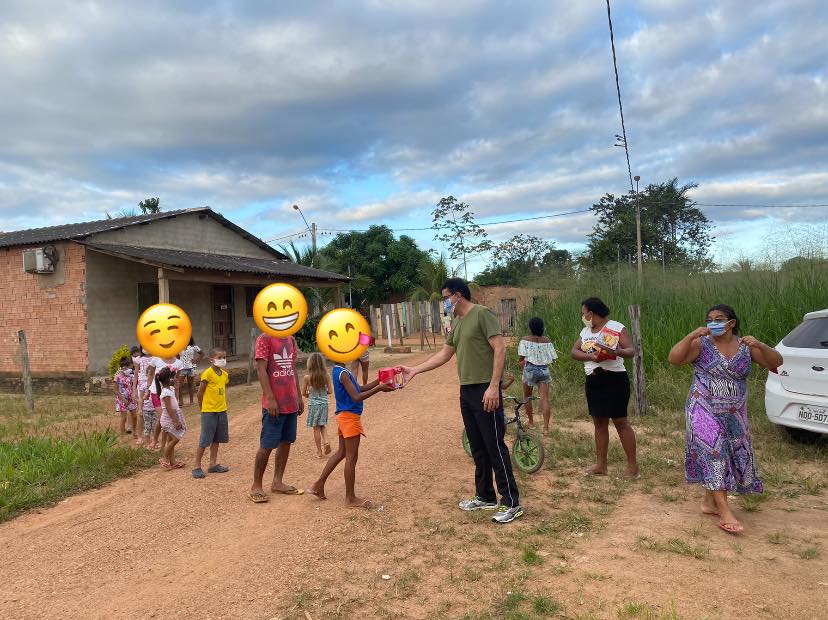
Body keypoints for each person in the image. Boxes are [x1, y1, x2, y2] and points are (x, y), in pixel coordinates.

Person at [401, 278, 524, 524]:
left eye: (445, 296)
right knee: (477, 446)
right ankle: (485, 496)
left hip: (485, 389)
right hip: (467, 390)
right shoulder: (457, 322)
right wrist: (415, 369)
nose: (444, 301)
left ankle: (511, 502)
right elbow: (445, 354)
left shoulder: (481, 314)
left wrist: (493, 386)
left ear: (457, 295)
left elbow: (499, 349)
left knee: (494, 445)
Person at [668, 304, 781, 535]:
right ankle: (725, 510)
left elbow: (775, 361)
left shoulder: (745, 347)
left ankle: (709, 502)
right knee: (714, 453)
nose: (713, 323)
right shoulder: (701, 344)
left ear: (731, 323)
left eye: (719, 319)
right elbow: (674, 358)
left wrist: (759, 344)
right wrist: (691, 335)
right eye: (710, 319)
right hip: (702, 408)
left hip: (735, 413)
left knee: (727, 453)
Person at [308, 357, 395, 507]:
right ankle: (350, 498)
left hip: (344, 416)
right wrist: (379, 389)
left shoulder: (339, 371)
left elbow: (359, 389)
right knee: (351, 456)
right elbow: (356, 397)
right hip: (349, 417)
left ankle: (318, 485)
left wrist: (379, 381)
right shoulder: (342, 373)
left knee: (342, 452)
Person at [570, 297, 639, 479]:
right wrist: (591, 357)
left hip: (615, 379)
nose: (583, 316)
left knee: (621, 422)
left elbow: (631, 350)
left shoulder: (616, 327)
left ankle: (632, 468)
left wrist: (615, 352)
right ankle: (601, 465)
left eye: (584, 312)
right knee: (599, 423)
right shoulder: (585, 331)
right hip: (594, 380)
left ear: (591, 313)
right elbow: (574, 352)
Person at [247, 331, 305, 503]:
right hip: (273, 405)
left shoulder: (290, 339)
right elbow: (260, 369)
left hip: (290, 402)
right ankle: (256, 485)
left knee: (286, 442)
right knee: (267, 445)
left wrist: (299, 396)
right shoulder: (264, 339)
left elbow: (292, 368)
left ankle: (277, 482)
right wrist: (270, 398)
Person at [192, 348, 230, 479]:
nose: (223, 360)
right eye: (219, 357)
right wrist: (202, 408)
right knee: (205, 439)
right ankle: (197, 466)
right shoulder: (207, 374)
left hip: (221, 410)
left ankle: (213, 464)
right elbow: (200, 393)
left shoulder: (225, 375)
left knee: (217, 438)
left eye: (224, 357)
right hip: (209, 411)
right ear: (211, 359)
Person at [518, 317, 557, 436]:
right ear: (542, 328)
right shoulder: (547, 340)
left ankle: (531, 422)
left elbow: (521, 358)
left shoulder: (525, 340)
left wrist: (521, 363)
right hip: (544, 370)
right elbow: (553, 358)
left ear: (530, 328)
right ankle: (545, 428)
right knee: (544, 399)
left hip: (530, 369)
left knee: (527, 396)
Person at [146, 355, 182, 452]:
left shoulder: (179, 363)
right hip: (156, 391)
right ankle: (156, 441)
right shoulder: (156, 359)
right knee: (163, 418)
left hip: (169, 392)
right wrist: (147, 390)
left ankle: (164, 445)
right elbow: (150, 375)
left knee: (163, 419)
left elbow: (176, 379)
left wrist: (176, 391)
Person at [304, 352, 333, 459]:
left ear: (310, 364)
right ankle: (326, 442)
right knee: (323, 425)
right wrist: (323, 391)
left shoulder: (307, 378)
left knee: (316, 428)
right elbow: (330, 391)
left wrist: (309, 394)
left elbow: (304, 393)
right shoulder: (327, 376)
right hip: (324, 404)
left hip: (313, 405)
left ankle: (319, 452)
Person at [157, 367, 186, 470]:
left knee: (171, 439)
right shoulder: (165, 392)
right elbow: (169, 408)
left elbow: (176, 401)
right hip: (168, 419)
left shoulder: (171, 389)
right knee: (175, 439)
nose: (174, 379)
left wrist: (177, 389)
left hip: (172, 416)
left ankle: (173, 462)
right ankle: (165, 458)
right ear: (168, 379)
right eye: (173, 377)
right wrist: (175, 421)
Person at [113, 357, 137, 437]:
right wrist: (123, 399)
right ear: (123, 367)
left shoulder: (130, 376)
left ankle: (134, 432)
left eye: (129, 367)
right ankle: (122, 434)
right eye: (127, 367)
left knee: (135, 415)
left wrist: (134, 395)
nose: (129, 369)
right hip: (121, 399)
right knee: (124, 417)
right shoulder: (117, 377)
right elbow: (115, 390)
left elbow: (133, 386)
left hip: (130, 398)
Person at [178, 338, 203, 406]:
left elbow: (201, 353)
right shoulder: (178, 346)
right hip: (181, 368)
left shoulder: (194, 346)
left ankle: (191, 402)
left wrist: (196, 360)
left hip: (191, 368)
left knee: (190, 385)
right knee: (179, 385)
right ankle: (181, 402)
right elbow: (177, 356)